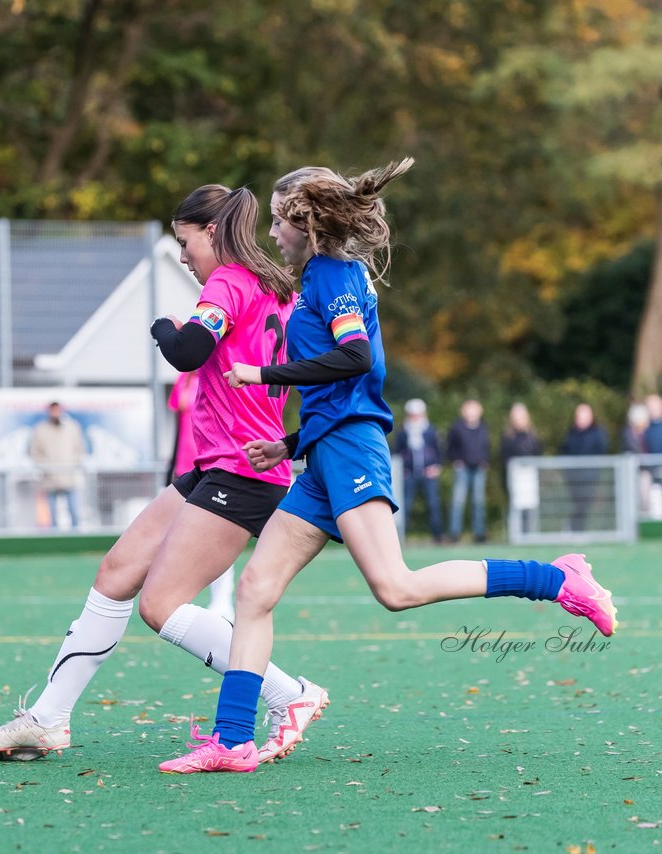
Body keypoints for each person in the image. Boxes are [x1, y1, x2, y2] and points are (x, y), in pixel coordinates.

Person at [159, 160, 618, 774]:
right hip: (324, 455)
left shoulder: (332, 275)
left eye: (276, 223)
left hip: (351, 450)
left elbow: (354, 360)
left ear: (305, 222)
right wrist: (291, 444)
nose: (271, 236)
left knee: (395, 588)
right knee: (254, 590)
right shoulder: (320, 277)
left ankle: (557, 579)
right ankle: (232, 740)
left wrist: (263, 374)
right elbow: (339, 384)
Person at [0, 184, 327, 764]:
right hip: (216, 464)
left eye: (184, 242)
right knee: (116, 572)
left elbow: (186, 350)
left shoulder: (229, 281)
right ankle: (48, 719)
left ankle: (291, 695)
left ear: (211, 232)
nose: (182, 256)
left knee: (160, 606)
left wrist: (161, 325)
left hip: (242, 470)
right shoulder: (275, 287)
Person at [169, 369, 235, 618]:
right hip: (186, 465)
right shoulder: (183, 379)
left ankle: (222, 599)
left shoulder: (220, 372)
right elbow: (179, 426)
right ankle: (185, 595)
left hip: (214, 462)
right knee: (185, 537)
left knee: (215, 535)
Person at [28, 401, 86, 529]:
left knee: (74, 513)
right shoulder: (41, 429)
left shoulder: (72, 427)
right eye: (52, 410)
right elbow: (35, 452)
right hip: (50, 478)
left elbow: (79, 449)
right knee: (52, 517)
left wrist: (73, 464)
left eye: (57, 410)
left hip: (70, 477)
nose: (55, 413)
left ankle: (76, 542)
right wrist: (46, 467)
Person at [394, 398, 443, 543]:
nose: (415, 417)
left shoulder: (431, 430)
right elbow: (397, 451)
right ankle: (399, 537)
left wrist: (436, 466)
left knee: (433, 504)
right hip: (409, 474)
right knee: (405, 505)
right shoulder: (402, 431)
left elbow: (439, 450)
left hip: (428, 473)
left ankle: (438, 536)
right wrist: (403, 469)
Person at [559, 403, 609, 532]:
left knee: (585, 504)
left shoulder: (597, 432)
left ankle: (577, 528)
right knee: (578, 504)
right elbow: (566, 451)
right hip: (574, 477)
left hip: (590, 476)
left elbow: (601, 449)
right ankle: (576, 528)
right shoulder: (571, 433)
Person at [446, 398, 489, 543]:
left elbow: (486, 447)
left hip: (479, 468)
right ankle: (454, 533)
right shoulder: (457, 427)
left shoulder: (483, 427)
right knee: (458, 501)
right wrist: (456, 460)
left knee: (478, 502)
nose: (471, 413)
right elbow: (450, 447)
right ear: (463, 411)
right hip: (462, 468)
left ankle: (479, 533)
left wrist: (484, 460)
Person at [500, 402, 544, 530]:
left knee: (531, 506)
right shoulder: (508, 437)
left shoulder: (533, 437)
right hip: (514, 477)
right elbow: (504, 457)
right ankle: (516, 533)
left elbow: (538, 453)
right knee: (515, 506)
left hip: (530, 476)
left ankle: (530, 532)